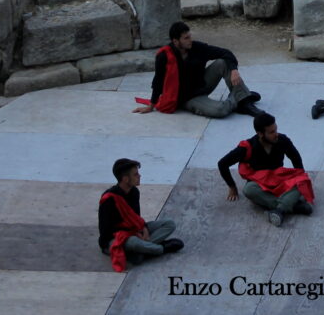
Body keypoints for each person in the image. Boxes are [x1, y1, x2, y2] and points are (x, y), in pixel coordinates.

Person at [133, 21, 262, 118]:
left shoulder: (197, 47)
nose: (190, 40)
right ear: (176, 41)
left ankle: (244, 101)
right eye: (186, 38)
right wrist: (152, 105)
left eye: (190, 36)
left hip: (203, 84)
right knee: (220, 110)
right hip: (187, 97)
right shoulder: (164, 56)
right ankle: (240, 98)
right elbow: (158, 81)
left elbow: (226, 53)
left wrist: (234, 70)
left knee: (222, 63)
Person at [217, 112, 314, 228]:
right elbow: (222, 163)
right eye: (271, 132)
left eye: (276, 130)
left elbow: (295, 157)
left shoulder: (282, 140)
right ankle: (291, 206)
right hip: (261, 184)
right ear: (260, 134)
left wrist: (299, 177)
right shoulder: (247, 147)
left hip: (280, 180)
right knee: (249, 189)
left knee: (302, 181)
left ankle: (280, 210)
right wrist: (232, 187)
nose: (276, 134)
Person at [98, 158, 182, 271]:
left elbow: (136, 218)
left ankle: (141, 252)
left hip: (134, 231)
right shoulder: (109, 199)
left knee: (169, 224)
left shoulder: (134, 192)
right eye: (135, 174)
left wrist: (144, 229)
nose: (139, 176)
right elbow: (106, 232)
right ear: (125, 179)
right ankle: (161, 249)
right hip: (115, 238)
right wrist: (134, 234)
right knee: (134, 242)